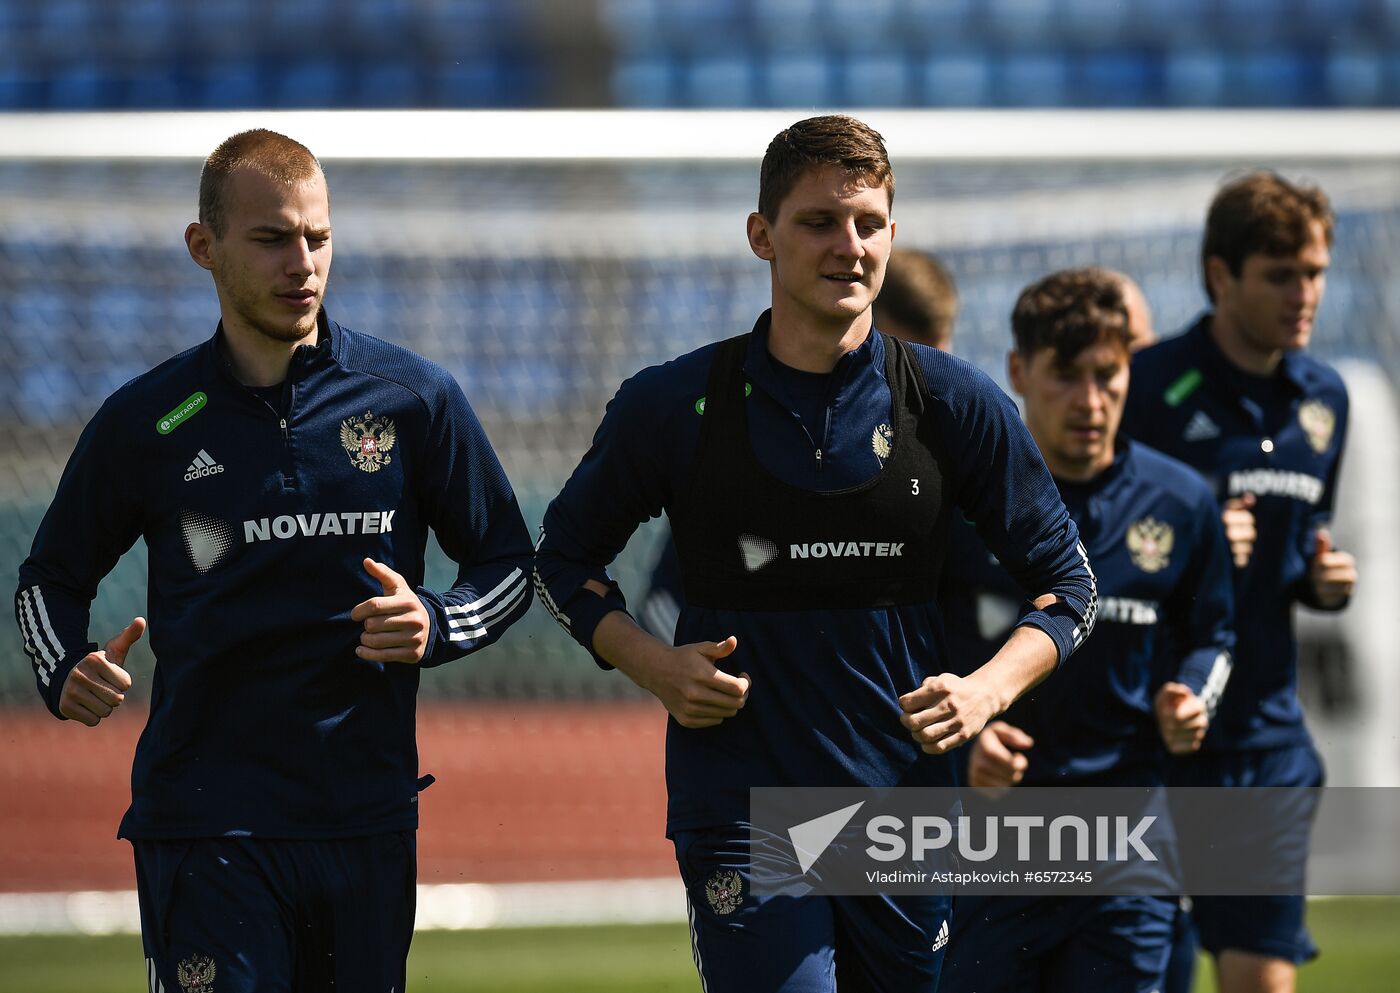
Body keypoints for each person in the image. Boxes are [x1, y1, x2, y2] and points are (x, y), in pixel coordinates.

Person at [532, 114, 1097, 992]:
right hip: (746, 810)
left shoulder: (954, 404)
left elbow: (1070, 585)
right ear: (761, 235)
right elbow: (560, 561)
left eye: (868, 223)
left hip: (902, 811)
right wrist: (654, 664)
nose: (849, 245)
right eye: (819, 222)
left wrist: (985, 689)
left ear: (892, 235)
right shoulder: (673, 404)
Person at [14, 129, 533, 992]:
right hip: (206, 825)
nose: (303, 264)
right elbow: (50, 578)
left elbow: (511, 562)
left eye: (318, 237)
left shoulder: (412, 399)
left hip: (365, 821)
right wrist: (64, 663)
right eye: (272, 239)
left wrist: (438, 620)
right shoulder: (148, 419)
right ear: (204, 245)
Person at [937, 268, 1235, 993]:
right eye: (1067, 375)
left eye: (1107, 375)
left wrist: (1192, 696)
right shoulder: (958, 505)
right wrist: (966, 745)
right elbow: (908, 649)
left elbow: (1214, 636)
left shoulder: (1181, 502)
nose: (1090, 400)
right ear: (1019, 371)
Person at [1123, 171, 1357, 993]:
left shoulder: (1324, 400)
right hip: (1146, 732)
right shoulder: (1144, 387)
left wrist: (1322, 581)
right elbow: (1087, 547)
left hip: (1263, 734)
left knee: (1261, 977)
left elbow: (1297, 547)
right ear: (1221, 275)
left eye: (1316, 272)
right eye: (1281, 274)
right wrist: (1197, 546)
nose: (1305, 294)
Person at [638, 246, 960, 643]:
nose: (918, 380)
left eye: (936, 359)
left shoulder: (953, 444)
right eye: (905, 356)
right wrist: (689, 667)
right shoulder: (748, 444)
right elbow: (662, 602)